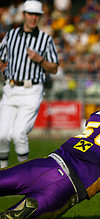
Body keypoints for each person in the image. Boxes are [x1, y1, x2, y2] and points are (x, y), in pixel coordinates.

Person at [0, 0, 59, 168]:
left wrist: (39, 59)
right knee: (2, 135)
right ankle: (4, 173)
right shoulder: (11, 36)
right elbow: (1, 58)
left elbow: (54, 68)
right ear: (24, 15)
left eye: (37, 15)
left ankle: (24, 174)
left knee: (19, 133)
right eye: (31, 14)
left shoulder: (45, 40)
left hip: (31, 89)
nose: (33, 18)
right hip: (10, 88)